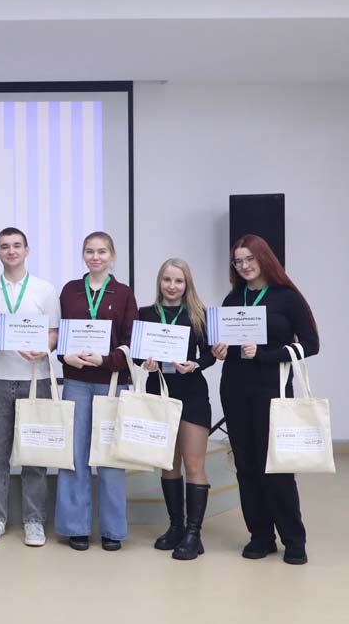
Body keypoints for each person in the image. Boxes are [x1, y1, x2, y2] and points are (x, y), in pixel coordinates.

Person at [211, 234, 319, 565]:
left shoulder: (287, 297)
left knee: (277, 466)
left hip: (273, 389)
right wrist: (220, 350)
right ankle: (260, 536)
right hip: (234, 389)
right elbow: (229, 345)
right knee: (246, 465)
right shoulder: (233, 299)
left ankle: (294, 539)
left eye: (250, 259)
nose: (244, 266)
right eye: (238, 261)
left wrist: (265, 354)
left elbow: (311, 345)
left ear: (264, 258)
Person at [0, 227, 60, 547]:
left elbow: (54, 332)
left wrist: (45, 348)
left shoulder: (45, 290)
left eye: (16, 245)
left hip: (35, 379)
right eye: (4, 246)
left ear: (27, 250)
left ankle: (34, 520)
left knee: (35, 454)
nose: (11, 251)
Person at [55, 231, 138, 551]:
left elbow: (131, 343)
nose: (96, 257)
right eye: (90, 251)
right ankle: (75, 527)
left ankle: (113, 530)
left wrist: (106, 360)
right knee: (74, 456)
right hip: (76, 382)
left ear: (112, 255)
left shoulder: (124, 293)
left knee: (110, 457)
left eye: (102, 251)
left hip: (112, 383)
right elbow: (62, 338)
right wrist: (65, 356)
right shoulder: (70, 291)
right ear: (83, 255)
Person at [137, 258, 216, 560]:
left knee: (194, 464)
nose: (172, 286)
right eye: (167, 280)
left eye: (178, 281)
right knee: (168, 464)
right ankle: (176, 527)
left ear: (187, 284)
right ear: (159, 282)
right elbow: (137, 354)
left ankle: (194, 534)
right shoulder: (146, 314)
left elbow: (209, 355)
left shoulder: (199, 314)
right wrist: (145, 362)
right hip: (158, 391)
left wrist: (195, 364)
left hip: (192, 393)